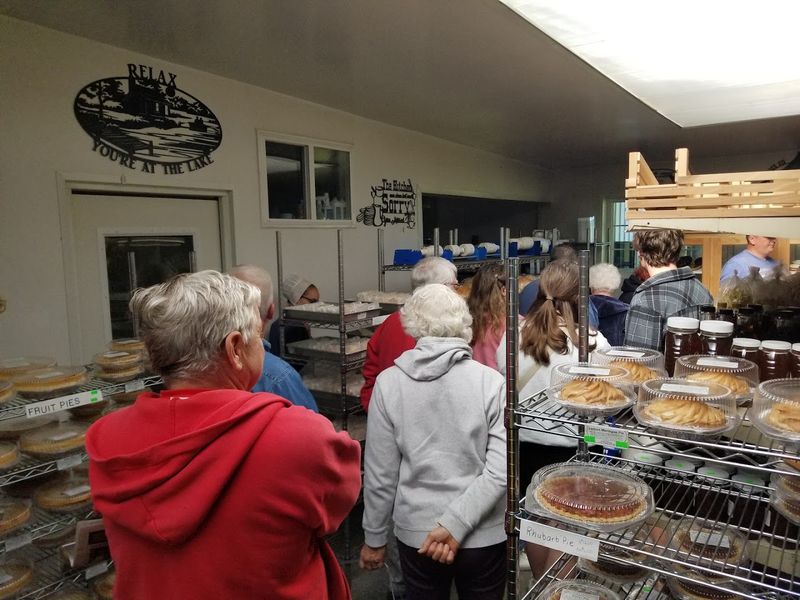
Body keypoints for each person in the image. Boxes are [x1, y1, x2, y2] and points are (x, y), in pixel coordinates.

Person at [86, 271, 361, 600]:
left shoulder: (108, 439)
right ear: (235, 348)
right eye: (257, 337)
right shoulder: (297, 436)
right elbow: (335, 508)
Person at [360, 284, 507, 600]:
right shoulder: (492, 383)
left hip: (419, 534)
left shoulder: (389, 384)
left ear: (412, 324)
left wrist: (374, 538)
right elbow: (500, 472)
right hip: (482, 535)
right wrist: (457, 524)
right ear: (463, 323)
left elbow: (380, 475)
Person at [495, 259, 609, 578]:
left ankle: (538, 584)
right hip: (574, 449)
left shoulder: (513, 337)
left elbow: (503, 380)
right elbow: (607, 398)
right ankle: (555, 588)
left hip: (524, 447)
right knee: (569, 525)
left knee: (535, 518)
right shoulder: (592, 343)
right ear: (581, 297)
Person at [360, 256, 458, 412]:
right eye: (454, 285)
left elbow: (371, 372)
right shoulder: (435, 327)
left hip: (386, 410)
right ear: (439, 289)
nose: (456, 292)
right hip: (414, 416)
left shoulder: (391, 321)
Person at [229, 264, 319, 412]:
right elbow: (313, 426)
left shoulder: (206, 370)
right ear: (271, 310)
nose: (317, 305)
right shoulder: (278, 377)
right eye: (313, 301)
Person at [624, 230, 714, 350]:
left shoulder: (646, 299)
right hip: (699, 369)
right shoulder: (702, 290)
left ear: (640, 253)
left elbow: (639, 363)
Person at [520, 243, 599, 327]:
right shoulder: (576, 292)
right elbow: (591, 326)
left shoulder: (528, 289)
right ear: (574, 265)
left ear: (549, 263)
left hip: (530, 337)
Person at [267, 273, 319, 370]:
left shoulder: (278, 322)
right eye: (312, 302)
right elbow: (302, 362)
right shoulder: (296, 326)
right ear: (296, 298)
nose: (316, 306)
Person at [467, 262, 507, 370]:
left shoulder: (467, 321)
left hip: (475, 382)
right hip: (500, 384)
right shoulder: (514, 324)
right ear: (504, 290)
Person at [589, 262, 628, 346]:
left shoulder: (581, 307)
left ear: (591, 285)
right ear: (615, 286)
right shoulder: (625, 311)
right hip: (615, 357)